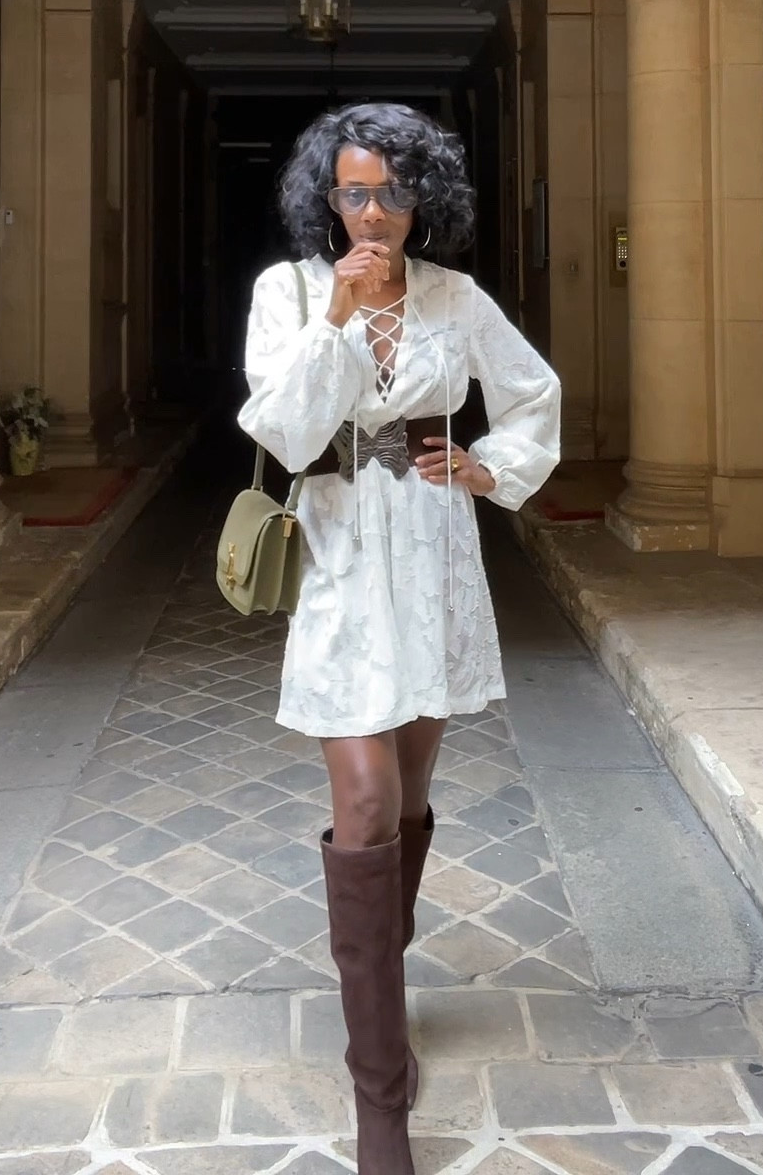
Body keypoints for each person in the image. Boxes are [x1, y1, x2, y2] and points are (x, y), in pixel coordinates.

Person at [238, 102, 561, 1175]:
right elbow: (284, 431)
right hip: (335, 555)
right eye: (354, 191)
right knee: (365, 795)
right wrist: (337, 314)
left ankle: (379, 970)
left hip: (431, 554)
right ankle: (381, 1092)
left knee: (411, 798)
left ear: (424, 199)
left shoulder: (457, 300)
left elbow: (532, 397)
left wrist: (485, 467)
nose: (373, 213)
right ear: (326, 198)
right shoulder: (287, 294)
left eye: (393, 192)